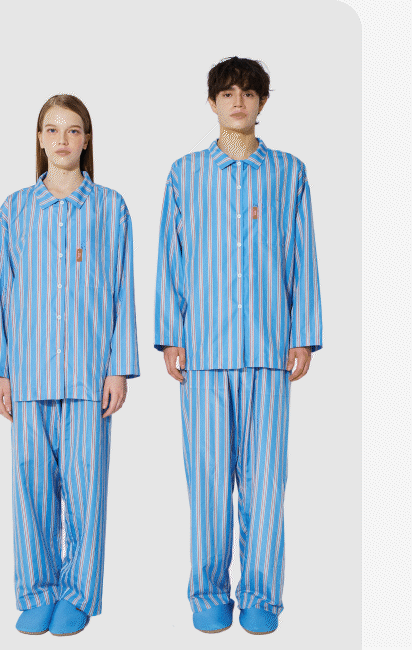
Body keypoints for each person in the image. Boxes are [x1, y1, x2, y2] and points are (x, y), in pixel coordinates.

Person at [154, 56, 323, 635]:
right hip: (203, 352)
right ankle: (207, 593)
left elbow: (302, 254)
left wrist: (304, 335)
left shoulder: (289, 172)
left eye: (248, 93)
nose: (238, 102)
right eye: (227, 93)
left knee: (265, 483)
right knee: (207, 482)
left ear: (262, 103)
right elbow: (171, 257)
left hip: (269, 350)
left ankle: (260, 597)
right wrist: (170, 336)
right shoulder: (185, 173)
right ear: (212, 102)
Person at [0, 94, 139, 636]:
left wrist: (119, 367)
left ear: (86, 139)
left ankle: (79, 593)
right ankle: (37, 590)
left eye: (73, 130)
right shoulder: (15, 209)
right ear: (39, 139)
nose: (62, 139)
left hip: (89, 376)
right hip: (28, 373)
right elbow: (0, 292)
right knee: (31, 490)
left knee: (85, 490)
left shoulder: (111, 207)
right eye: (52, 130)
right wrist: (0, 369)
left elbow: (122, 289)